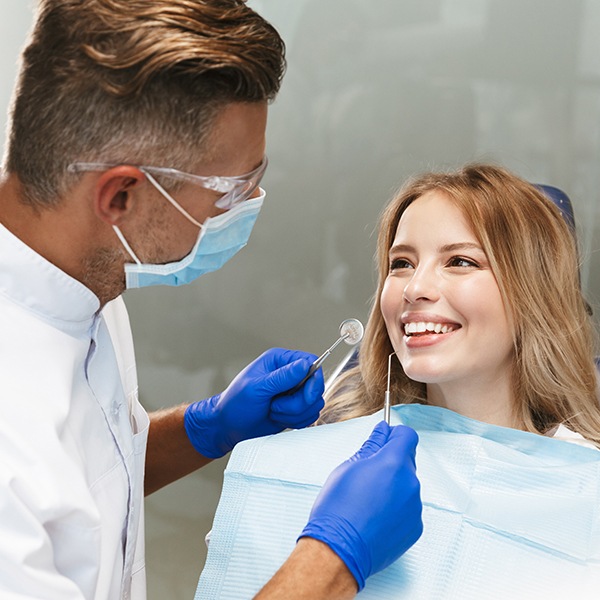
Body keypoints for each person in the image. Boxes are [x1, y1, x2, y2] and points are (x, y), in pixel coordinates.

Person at [0, 1, 422, 599]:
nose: (250, 205)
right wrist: (334, 558)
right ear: (120, 195)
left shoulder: (87, 275)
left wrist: (207, 428)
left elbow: (76, 486)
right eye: (230, 191)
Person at [320, 162, 600, 445]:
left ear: (534, 294)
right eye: (402, 263)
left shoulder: (582, 475)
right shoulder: (335, 450)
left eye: (460, 262)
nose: (415, 288)